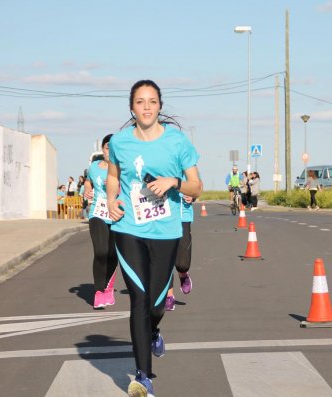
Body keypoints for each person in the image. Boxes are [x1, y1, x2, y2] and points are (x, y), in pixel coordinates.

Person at [106, 79, 202, 397]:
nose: (146, 107)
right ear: (131, 108)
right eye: (140, 102)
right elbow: (113, 176)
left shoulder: (177, 142)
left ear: (160, 106)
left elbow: (196, 186)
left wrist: (173, 181)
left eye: (152, 101)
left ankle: (154, 328)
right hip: (128, 229)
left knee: (157, 303)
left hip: (166, 231)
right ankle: (143, 377)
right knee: (139, 299)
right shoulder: (120, 143)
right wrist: (111, 200)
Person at [84, 134, 119, 309]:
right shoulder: (93, 167)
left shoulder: (123, 169)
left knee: (112, 254)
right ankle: (99, 291)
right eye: (107, 148)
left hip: (118, 215)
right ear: (103, 149)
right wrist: (87, 188)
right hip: (97, 213)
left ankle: (108, 287)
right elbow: (88, 181)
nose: (110, 151)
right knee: (100, 252)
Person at [164, 183, 199, 311]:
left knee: (182, 264)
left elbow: (197, 186)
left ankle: (183, 274)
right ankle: (169, 296)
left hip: (183, 216)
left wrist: (193, 196)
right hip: (163, 218)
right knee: (165, 259)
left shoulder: (186, 167)